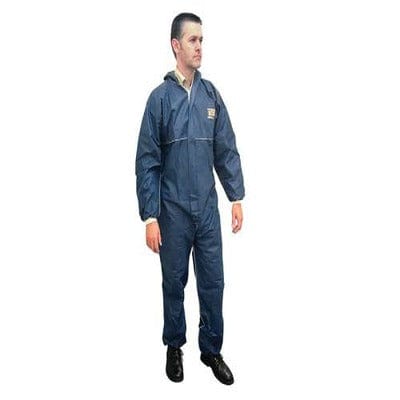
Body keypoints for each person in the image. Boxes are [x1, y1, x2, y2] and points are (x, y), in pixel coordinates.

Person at [135, 12, 245, 385]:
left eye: (202, 40)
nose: (199, 47)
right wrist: (150, 217)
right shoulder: (159, 99)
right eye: (192, 40)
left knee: (213, 282)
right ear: (175, 45)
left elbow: (225, 148)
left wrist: (235, 197)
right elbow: (147, 161)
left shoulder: (211, 95)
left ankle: (211, 350)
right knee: (173, 282)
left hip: (208, 212)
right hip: (173, 211)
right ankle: (174, 346)